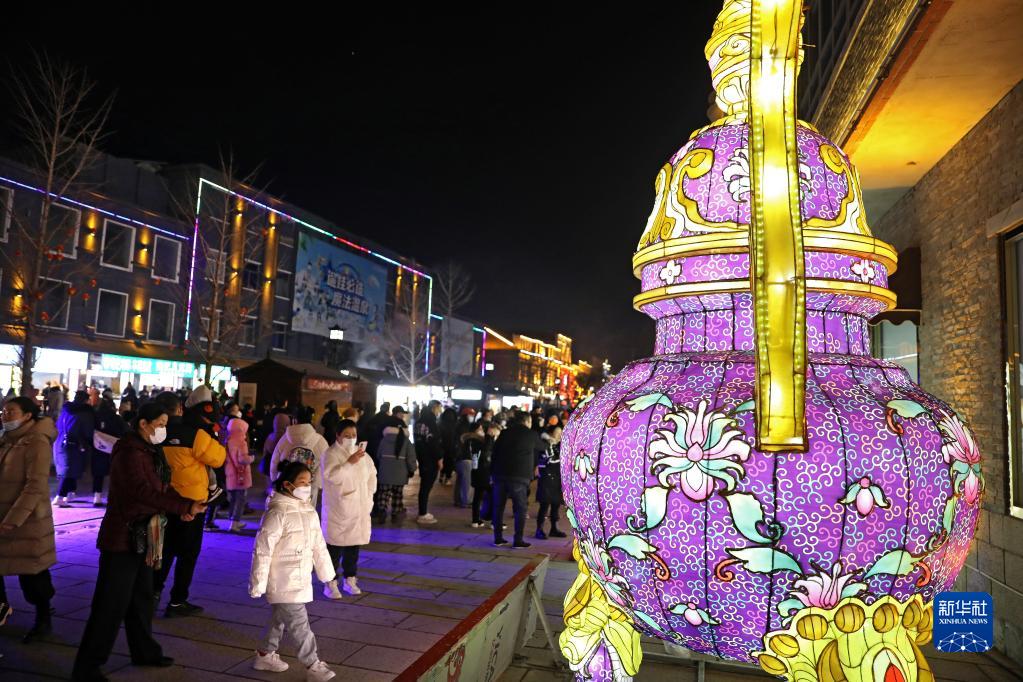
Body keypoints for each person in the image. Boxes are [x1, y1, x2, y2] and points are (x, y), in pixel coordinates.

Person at [71, 402, 207, 681]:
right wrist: (183, 507)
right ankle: (87, 667)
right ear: (143, 424)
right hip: (123, 537)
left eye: (165, 424)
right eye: (160, 424)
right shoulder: (129, 452)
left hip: (144, 536)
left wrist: (184, 506)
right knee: (110, 605)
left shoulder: (149, 450)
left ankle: (144, 651)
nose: (163, 429)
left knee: (141, 598)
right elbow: (142, 492)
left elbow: (162, 487)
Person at [249, 461, 337, 681]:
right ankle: (313, 665)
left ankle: (264, 654)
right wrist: (258, 584)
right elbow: (262, 551)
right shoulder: (277, 513)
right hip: (283, 579)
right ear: (287, 484)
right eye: (302, 482)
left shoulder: (308, 510)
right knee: (299, 623)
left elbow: (318, 545)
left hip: (300, 576)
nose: (307, 486)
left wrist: (327, 573)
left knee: (279, 618)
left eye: (309, 482)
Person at [152, 388, 226, 618]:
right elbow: (218, 458)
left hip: (162, 500)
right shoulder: (194, 434)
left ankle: (152, 594)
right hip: (192, 503)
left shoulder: (153, 434)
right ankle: (177, 601)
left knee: (163, 551)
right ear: (180, 409)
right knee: (187, 554)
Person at [0, 397, 57, 643]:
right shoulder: (6, 439)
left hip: (27, 520)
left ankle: (43, 618)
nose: (5, 415)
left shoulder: (37, 442)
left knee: (32, 573)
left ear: (27, 415)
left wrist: (13, 519)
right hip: (3, 515)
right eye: (4, 411)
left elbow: (35, 485)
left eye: (11, 411)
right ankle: (2, 611)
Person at [320, 420, 375, 598]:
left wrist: (369, 496)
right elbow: (332, 476)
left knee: (353, 547)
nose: (351, 439)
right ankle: (330, 582)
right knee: (334, 548)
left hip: (359, 509)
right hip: (338, 508)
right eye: (346, 435)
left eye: (353, 435)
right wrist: (349, 463)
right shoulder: (330, 454)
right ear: (338, 436)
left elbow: (372, 475)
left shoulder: (362, 454)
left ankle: (350, 578)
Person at [491, 411, 543, 548]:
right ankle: (518, 539)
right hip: (520, 476)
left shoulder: (505, 433)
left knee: (498, 507)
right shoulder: (531, 434)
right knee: (520, 508)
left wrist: (492, 473)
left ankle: (498, 538)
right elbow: (543, 447)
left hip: (500, 474)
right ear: (526, 421)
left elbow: (495, 452)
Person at [269, 407, 329, 508]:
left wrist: (275, 479)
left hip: (287, 485)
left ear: (294, 420)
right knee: (307, 511)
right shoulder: (320, 441)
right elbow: (326, 464)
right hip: (309, 486)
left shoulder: (284, 439)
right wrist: (318, 484)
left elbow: (275, 462)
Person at [53, 390, 95, 507]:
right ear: (86, 400)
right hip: (75, 444)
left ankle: (70, 493)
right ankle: (60, 496)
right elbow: (88, 431)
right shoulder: (85, 413)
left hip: (60, 441)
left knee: (69, 468)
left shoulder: (66, 409)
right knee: (69, 470)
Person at [372, 416, 417, 521]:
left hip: (385, 473)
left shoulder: (384, 440)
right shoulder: (406, 441)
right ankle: (395, 513)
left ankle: (382, 511)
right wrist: (412, 469)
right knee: (397, 494)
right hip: (400, 474)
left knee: (384, 493)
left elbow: (378, 455)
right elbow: (411, 457)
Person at [92, 391, 128, 507]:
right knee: (114, 473)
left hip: (99, 448)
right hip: (114, 448)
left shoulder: (96, 417)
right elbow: (125, 431)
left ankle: (97, 496)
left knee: (98, 473)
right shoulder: (117, 418)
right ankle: (111, 497)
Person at [413, 401, 444, 525]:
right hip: (430, 459)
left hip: (422, 458)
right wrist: (439, 458)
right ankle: (422, 513)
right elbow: (434, 443)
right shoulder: (431, 422)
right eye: (439, 408)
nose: (439, 411)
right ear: (434, 408)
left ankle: (423, 511)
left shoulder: (419, 422)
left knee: (424, 486)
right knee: (426, 486)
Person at [535, 425, 566, 539]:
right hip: (547, 478)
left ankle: (554, 528)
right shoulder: (546, 443)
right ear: (551, 433)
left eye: (561, 432)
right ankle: (539, 529)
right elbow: (548, 459)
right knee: (544, 504)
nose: (559, 435)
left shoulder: (561, 444)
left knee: (556, 504)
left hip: (558, 478)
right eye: (557, 432)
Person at [225, 414, 254, 532]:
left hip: (230, 474)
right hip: (240, 475)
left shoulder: (228, 441)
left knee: (233, 499)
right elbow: (242, 459)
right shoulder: (242, 442)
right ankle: (235, 523)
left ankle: (231, 520)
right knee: (240, 499)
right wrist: (251, 458)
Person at [262, 413, 292, 492]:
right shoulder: (287, 438)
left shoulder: (271, 436)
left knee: (270, 481)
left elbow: (265, 450)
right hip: (281, 463)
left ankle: (270, 492)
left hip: (268, 461)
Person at [454, 420, 479, 508]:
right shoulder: (473, 439)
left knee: (460, 481)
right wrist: (475, 465)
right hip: (467, 462)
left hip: (459, 461)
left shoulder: (464, 437)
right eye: (480, 429)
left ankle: (458, 500)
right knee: (468, 483)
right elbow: (473, 453)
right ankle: (467, 501)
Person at [437, 407, 458, 485]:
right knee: (450, 463)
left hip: (442, 447)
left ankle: (441, 475)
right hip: (452, 447)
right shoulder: (455, 424)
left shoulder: (440, 423)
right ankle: (447, 478)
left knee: (444, 461)